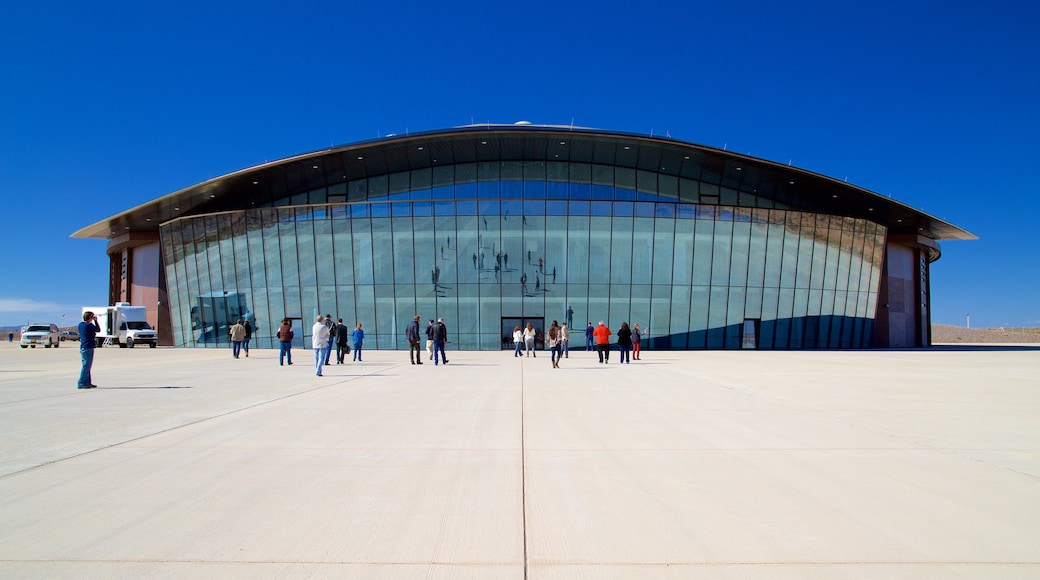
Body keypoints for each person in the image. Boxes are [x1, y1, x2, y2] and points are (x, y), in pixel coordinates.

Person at [77, 311, 102, 389]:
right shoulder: (89, 325)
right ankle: (81, 382)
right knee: (86, 366)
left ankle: (87, 382)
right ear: (90, 317)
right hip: (88, 347)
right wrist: (96, 321)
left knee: (87, 366)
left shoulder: (80, 325)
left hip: (84, 347)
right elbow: (98, 329)